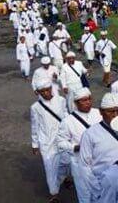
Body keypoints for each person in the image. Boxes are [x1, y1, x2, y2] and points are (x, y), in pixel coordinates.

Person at [56, 87, 102, 203]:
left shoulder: (99, 114)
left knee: (103, 192)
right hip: (80, 163)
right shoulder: (68, 121)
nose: (87, 102)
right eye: (83, 100)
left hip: (100, 159)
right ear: (76, 103)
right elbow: (60, 142)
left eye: (89, 99)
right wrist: (75, 147)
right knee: (85, 194)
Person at [30, 75, 69, 203]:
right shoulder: (35, 107)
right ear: (38, 92)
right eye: (43, 91)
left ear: (51, 88)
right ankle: (54, 193)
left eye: (48, 89)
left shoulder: (61, 100)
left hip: (62, 138)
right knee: (50, 167)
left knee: (67, 161)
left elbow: (67, 118)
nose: (46, 93)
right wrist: (35, 143)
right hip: (46, 142)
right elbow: (35, 126)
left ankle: (65, 178)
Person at [79, 93, 118, 202]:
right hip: (103, 188)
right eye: (110, 111)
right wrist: (98, 191)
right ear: (101, 111)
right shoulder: (90, 134)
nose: (115, 115)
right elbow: (85, 167)